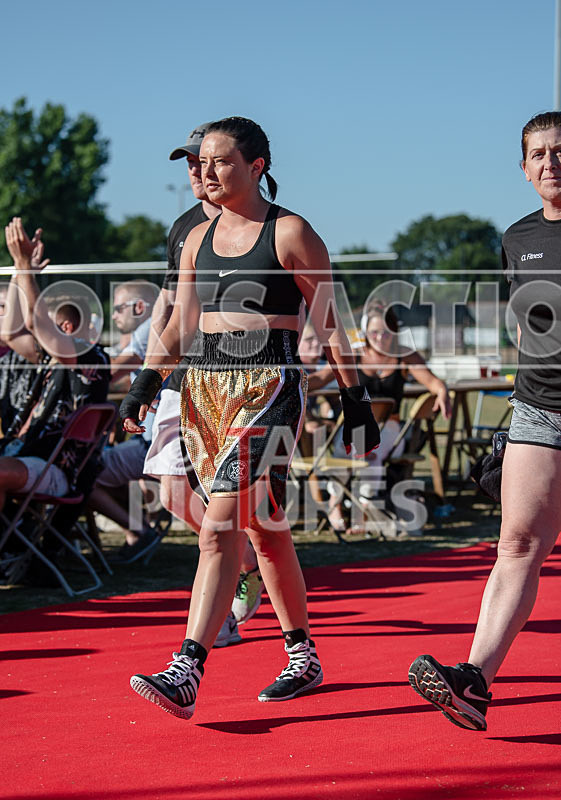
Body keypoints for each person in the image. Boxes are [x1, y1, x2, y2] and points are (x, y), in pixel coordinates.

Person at [120, 116, 380, 719]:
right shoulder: (194, 239)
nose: (206, 172)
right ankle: (302, 653)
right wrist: (143, 387)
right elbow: (181, 324)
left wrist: (355, 401)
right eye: (202, 163)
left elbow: (331, 322)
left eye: (221, 162)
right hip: (203, 390)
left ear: (257, 166)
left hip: (271, 386)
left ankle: (186, 669)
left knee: (218, 529)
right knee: (263, 529)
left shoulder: (290, 233)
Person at [408, 110, 561, 731]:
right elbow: (523, 323)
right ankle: (473, 681)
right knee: (518, 543)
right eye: (540, 154)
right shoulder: (517, 236)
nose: (553, 162)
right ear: (524, 170)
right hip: (540, 407)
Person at [143, 122, 261, 646]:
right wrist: (147, 373)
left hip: (244, 383)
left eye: (205, 160)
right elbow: (171, 306)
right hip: (182, 376)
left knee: (233, 510)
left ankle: (223, 622)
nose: (197, 171)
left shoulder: (263, 225)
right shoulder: (185, 229)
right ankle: (245, 562)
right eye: (190, 163)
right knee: (172, 492)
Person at [310, 302, 451, 533]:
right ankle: (335, 505)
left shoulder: (404, 356)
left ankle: (364, 508)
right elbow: (321, 378)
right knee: (346, 448)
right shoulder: (354, 355)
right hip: (355, 427)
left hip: (391, 429)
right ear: (365, 332)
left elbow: (432, 381)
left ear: (395, 331)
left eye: (386, 331)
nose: (380, 337)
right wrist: (297, 384)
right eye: (374, 332)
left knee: (370, 449)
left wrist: (442, 390)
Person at [0, 218, 110, 509]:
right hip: (26, 455)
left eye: (43, 323)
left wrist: (25, 269)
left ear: (66, 326)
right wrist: (18, 269)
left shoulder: (87, 356)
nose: (32, 325)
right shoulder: (53, 354)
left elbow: (36, 324)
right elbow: (10, 332)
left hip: (56, 469)